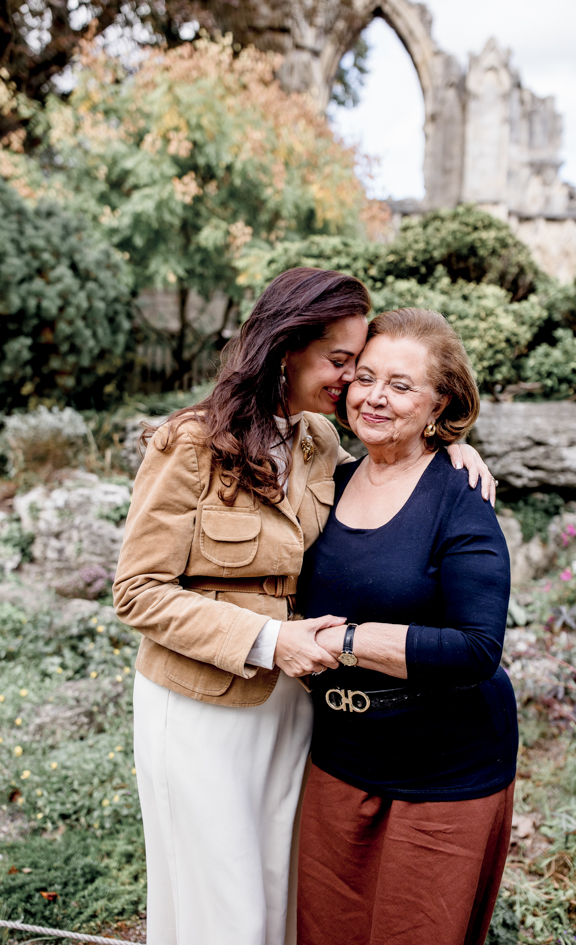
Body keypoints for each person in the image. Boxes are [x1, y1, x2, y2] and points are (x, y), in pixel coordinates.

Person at [113, 270, 495, 945]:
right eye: (342, 361)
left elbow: (391, 471)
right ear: (287, 347)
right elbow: (137, 590)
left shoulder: (320, 444)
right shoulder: (190, 443)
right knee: (222, 908)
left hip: (293, 707)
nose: (353, 383)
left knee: (279, 896)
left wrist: (448, 447)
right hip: (202, 704)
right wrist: (268, 639)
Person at [297, 307, 517, 945]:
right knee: (325, 932)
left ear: (439, 402)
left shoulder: (459, 494)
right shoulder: (325, 481)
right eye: (365, 378)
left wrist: (344, 640)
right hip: (340, 758)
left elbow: (478, 648)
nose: (374, 397)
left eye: (401, 385)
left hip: (445, 771)